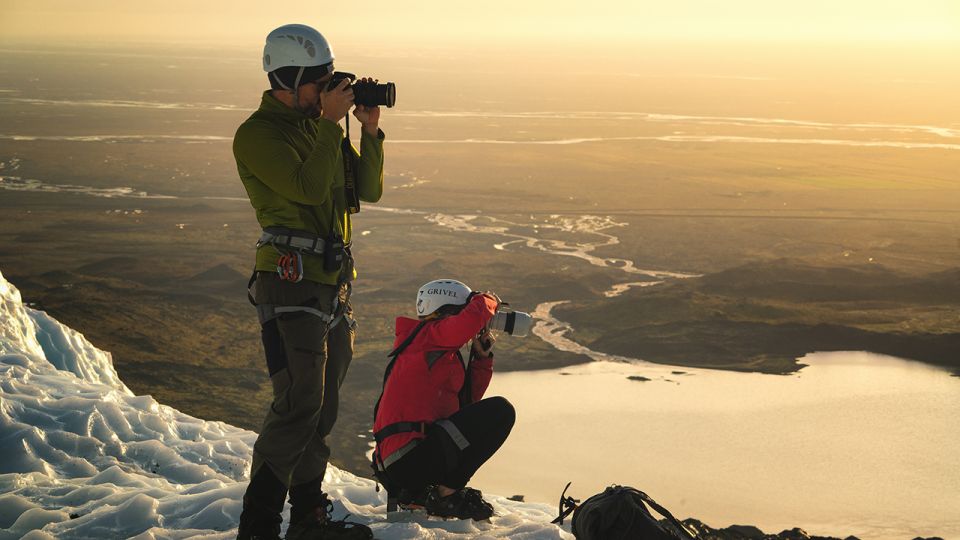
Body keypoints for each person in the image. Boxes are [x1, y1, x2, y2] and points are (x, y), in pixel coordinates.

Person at [233, 23, 384, 540]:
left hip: (332, 283)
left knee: (322, 409)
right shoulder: (258, 134)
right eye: (319, 80)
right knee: (299, 403)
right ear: (288, 79)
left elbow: (368, 190)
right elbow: (303, 189)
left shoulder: (319, 127)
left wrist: (364, 129)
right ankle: (258, 527)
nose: (328, 89)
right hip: (290, 282)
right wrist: (328, 125)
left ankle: (307, 518)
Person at [371, 279, 516, 520]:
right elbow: (467, 322)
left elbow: (465, 408)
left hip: (405, 463)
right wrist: (485, 300)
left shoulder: (434, 351)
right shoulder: (426, 336)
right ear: (445, 312)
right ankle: (446, 495)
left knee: (490, 417)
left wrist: (481, 359)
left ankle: (433, 493)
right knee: (502, 410)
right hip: (409, 460)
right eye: (460, 312)